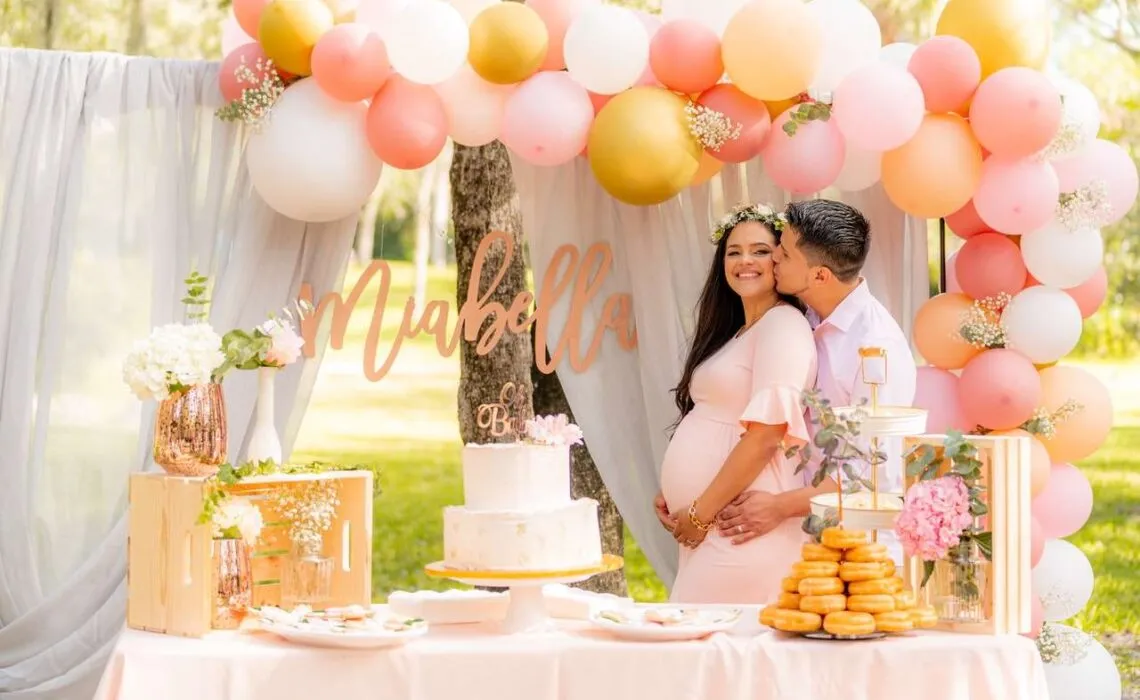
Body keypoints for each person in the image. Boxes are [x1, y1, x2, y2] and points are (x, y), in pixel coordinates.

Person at [716, 199, 918, 565]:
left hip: (861, 548)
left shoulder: (875, 349)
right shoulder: (801, 316)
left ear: (820, 276)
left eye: (785, 254)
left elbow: (869, 475)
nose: (774, 257)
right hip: (802, 538)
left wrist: (779, 507)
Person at [654, 203, 818, 605]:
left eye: (761, 250)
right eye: (734, 251)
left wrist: (698, 512)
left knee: (701, 650)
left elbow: (766, 437)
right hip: (711, 522)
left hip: (737, 525)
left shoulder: (783, 325)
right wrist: (678, 495)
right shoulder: (741, 331)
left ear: (781, 260)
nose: (745, 261)